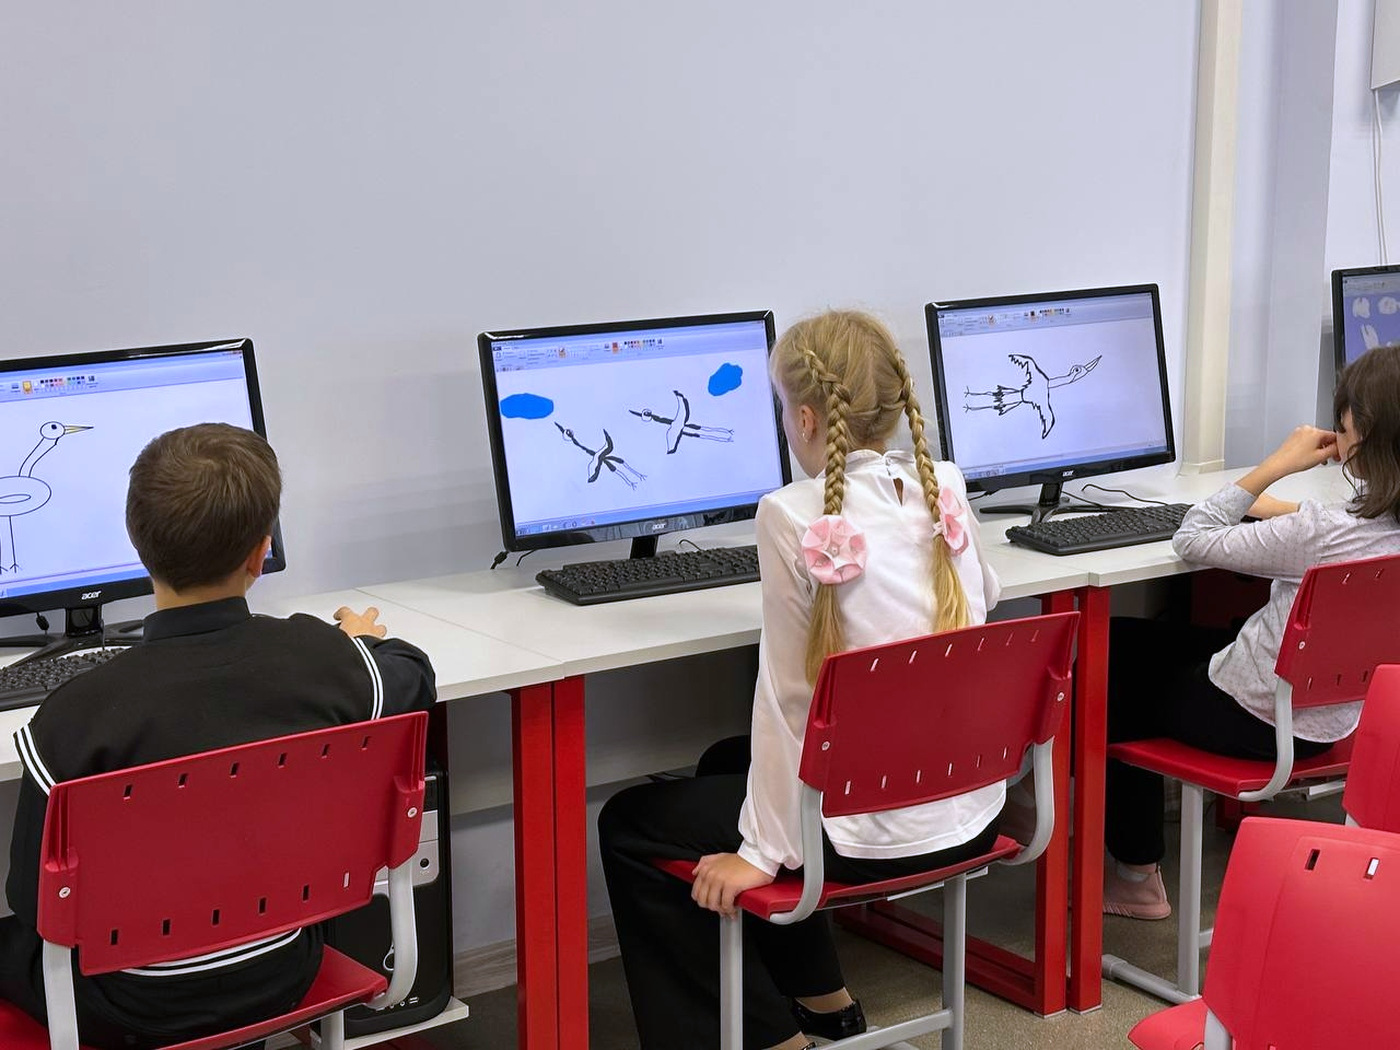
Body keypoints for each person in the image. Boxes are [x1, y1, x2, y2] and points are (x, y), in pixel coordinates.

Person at [598, 311, 1002, 1050]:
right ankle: (823, 1001)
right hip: (967, 810)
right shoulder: (941, 482)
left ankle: (765, 1038)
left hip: (869, 831)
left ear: (807, 418)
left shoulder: (789, 513)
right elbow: (988, 600)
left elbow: (788, 703)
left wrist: (757, 856)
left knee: (629, 822)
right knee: (727, 762)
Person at [0, 423, 436, 1048]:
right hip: (283, 969)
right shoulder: (323, 661)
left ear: (138, 543)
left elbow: (33, 901)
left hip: (125, 1006)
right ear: (261, 553)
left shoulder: (75, 715)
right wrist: (359, 643)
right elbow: (414, 673)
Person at [1104, 344, 1400, 919]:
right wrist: (1281, 512)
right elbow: (1341, 531)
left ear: (1362, 435)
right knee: (1147, 638)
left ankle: (1135, 874)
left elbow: (1193, 538)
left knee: (1112, 662)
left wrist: (1277, 462)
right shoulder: (1350, 527)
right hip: (1334, 719)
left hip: (1256, 717)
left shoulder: (1322, 533)